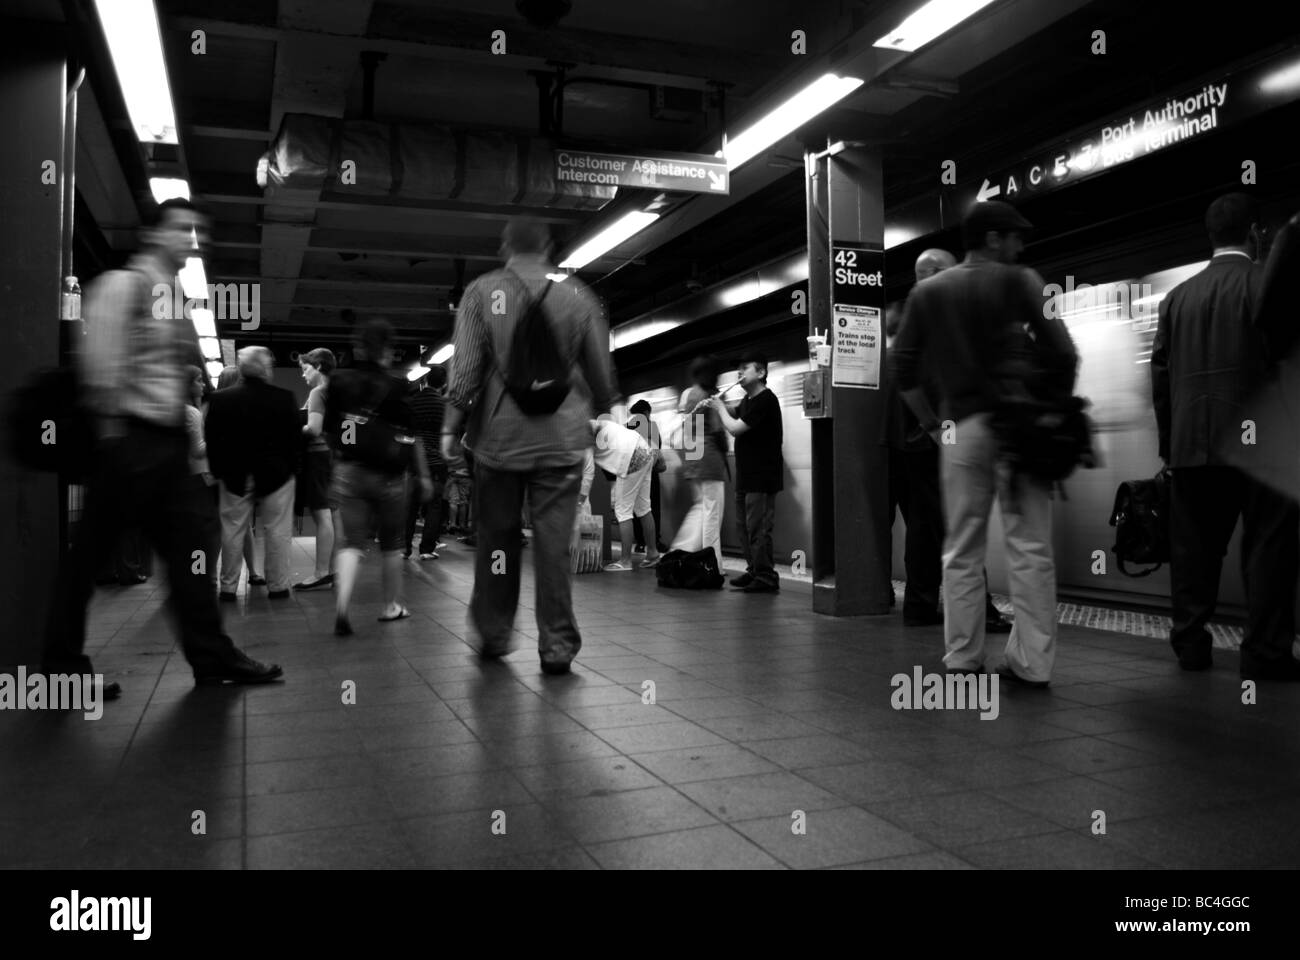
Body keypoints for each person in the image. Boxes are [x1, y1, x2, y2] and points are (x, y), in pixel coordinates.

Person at [42, 197, 283, 696]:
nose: (191, 240)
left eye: (196, 232)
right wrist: (116, 445)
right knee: (87, 559)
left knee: (190, 554)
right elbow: (102, 372)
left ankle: (211, 656)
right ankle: (61, 671)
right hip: (129, 443)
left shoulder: (168, 296)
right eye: (181, 229)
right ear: (153, 234)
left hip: (164, 447)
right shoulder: (123, 286)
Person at [891, 200, 1077, 689]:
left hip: (962, 429)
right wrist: (1052, 408)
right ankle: (1032, 665)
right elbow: (1064, 351)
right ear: (993, 238)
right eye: (1014, 236)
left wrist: (934, 426)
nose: (1021, 246)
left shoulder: (930, 292)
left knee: (961, 547)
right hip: (1022, 430)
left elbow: (903, 371)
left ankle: (962, 658)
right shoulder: (1022, 281)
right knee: (1031, 547)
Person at [442, 216, 620, 674]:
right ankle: (557, 646)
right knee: (553, 547)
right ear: (548, 247)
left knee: (498, 543)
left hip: (499, 441)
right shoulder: (577, 295)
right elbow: (601, 372)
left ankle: (495, 633)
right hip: (561, 441)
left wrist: (450, 426)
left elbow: (464, 372)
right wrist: (607, 406)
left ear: (505, 246)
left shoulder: (483, 292)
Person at [1151, 193, 1300, 680]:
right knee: (1268, 548)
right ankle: (1264, 654)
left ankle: (1191, 645)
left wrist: (1170, 446)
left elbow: (1160, 379)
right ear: (1255, 233)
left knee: (1193, 550)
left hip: (1192, 445)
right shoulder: (1266, 283)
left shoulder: (1177, 298)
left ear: (1210, 236)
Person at [885, 249, 1013, 632]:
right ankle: (976, 611)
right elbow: (934, 387)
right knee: (961, 526)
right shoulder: (933, 319)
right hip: (931, 441)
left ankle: (922, 607)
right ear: (938, 273)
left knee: (926, 530)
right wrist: (946, 434)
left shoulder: (914, 316)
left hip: (911, 443)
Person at [325, 318, 434, 635]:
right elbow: (410, 436)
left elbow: (333, 429)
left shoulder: (339, 380)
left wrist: (339, 464)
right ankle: (390, 607)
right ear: (387, 350)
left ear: (359, 347)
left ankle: (343, 607)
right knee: (392, 544)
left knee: (351, 543)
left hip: (349, 469)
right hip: (389, 474)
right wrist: (423, 475)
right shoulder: (397, 384)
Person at [205, 346, 302, 602]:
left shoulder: (221, 399)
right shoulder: (284, 397)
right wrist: (292, 469)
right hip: (276, 475)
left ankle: (228, 588)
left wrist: (218, 471)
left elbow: (213, 440)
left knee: (233, 530)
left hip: (234, 475)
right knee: (277, 531)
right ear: (266, 368)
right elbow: (294, 441)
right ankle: (278, 586)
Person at [710, 352, 783, 593]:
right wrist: (718, 404)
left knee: (759, 528)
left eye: (745, 368)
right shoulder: (748, 400)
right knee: (744, 527)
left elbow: (734, 428)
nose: (739, 373)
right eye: (738, 369)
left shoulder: (765, 400)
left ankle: (765, 576)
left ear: (761, 373)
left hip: (761, 477)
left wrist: (719, 407)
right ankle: (754, 570)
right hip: (746, 476)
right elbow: (735, 413)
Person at [669, 356, 728, 565]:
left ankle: (683, 553)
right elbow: (718, 430)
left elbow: (685, 430)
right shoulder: (709, 396)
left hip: (692, 458)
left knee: (701, 507)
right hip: (709, 459)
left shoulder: (687, 394)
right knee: (713, 512)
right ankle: (712, 563)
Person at [214, 364, 264, 585]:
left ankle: (252, 572)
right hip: (225, 474)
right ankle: (218, 578)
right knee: (229, 527)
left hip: (220, 473)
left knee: (238, 525)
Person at [294, 348, 338, 589]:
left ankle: (321, 573)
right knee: (332, 514)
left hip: (318, 456)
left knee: (322, 514)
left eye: (305, 369)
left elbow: (314, 428)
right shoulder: (338, 393)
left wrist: (294, 426)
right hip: (333, 457)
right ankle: (331, 570)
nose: (303, 375)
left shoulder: (318, 392)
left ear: (319, 366)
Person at [606, 399, 662, 571]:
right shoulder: (649, 426)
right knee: (644, 508)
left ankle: (625, 561)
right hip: (645, 460)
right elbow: (656, 451)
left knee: (622, 510)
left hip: (630, 460)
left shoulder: (625, 426)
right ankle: (652, 553)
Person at [405, 366, 449, 560]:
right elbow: (449, 434)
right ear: (444, 383)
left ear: (426, 381)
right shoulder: (444, 405)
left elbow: (407, 432)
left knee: (411, 506)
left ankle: (404, 548)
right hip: (437, 462)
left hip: (415, 462)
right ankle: (427, 549)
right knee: (434, 506)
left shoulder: (413, 402)